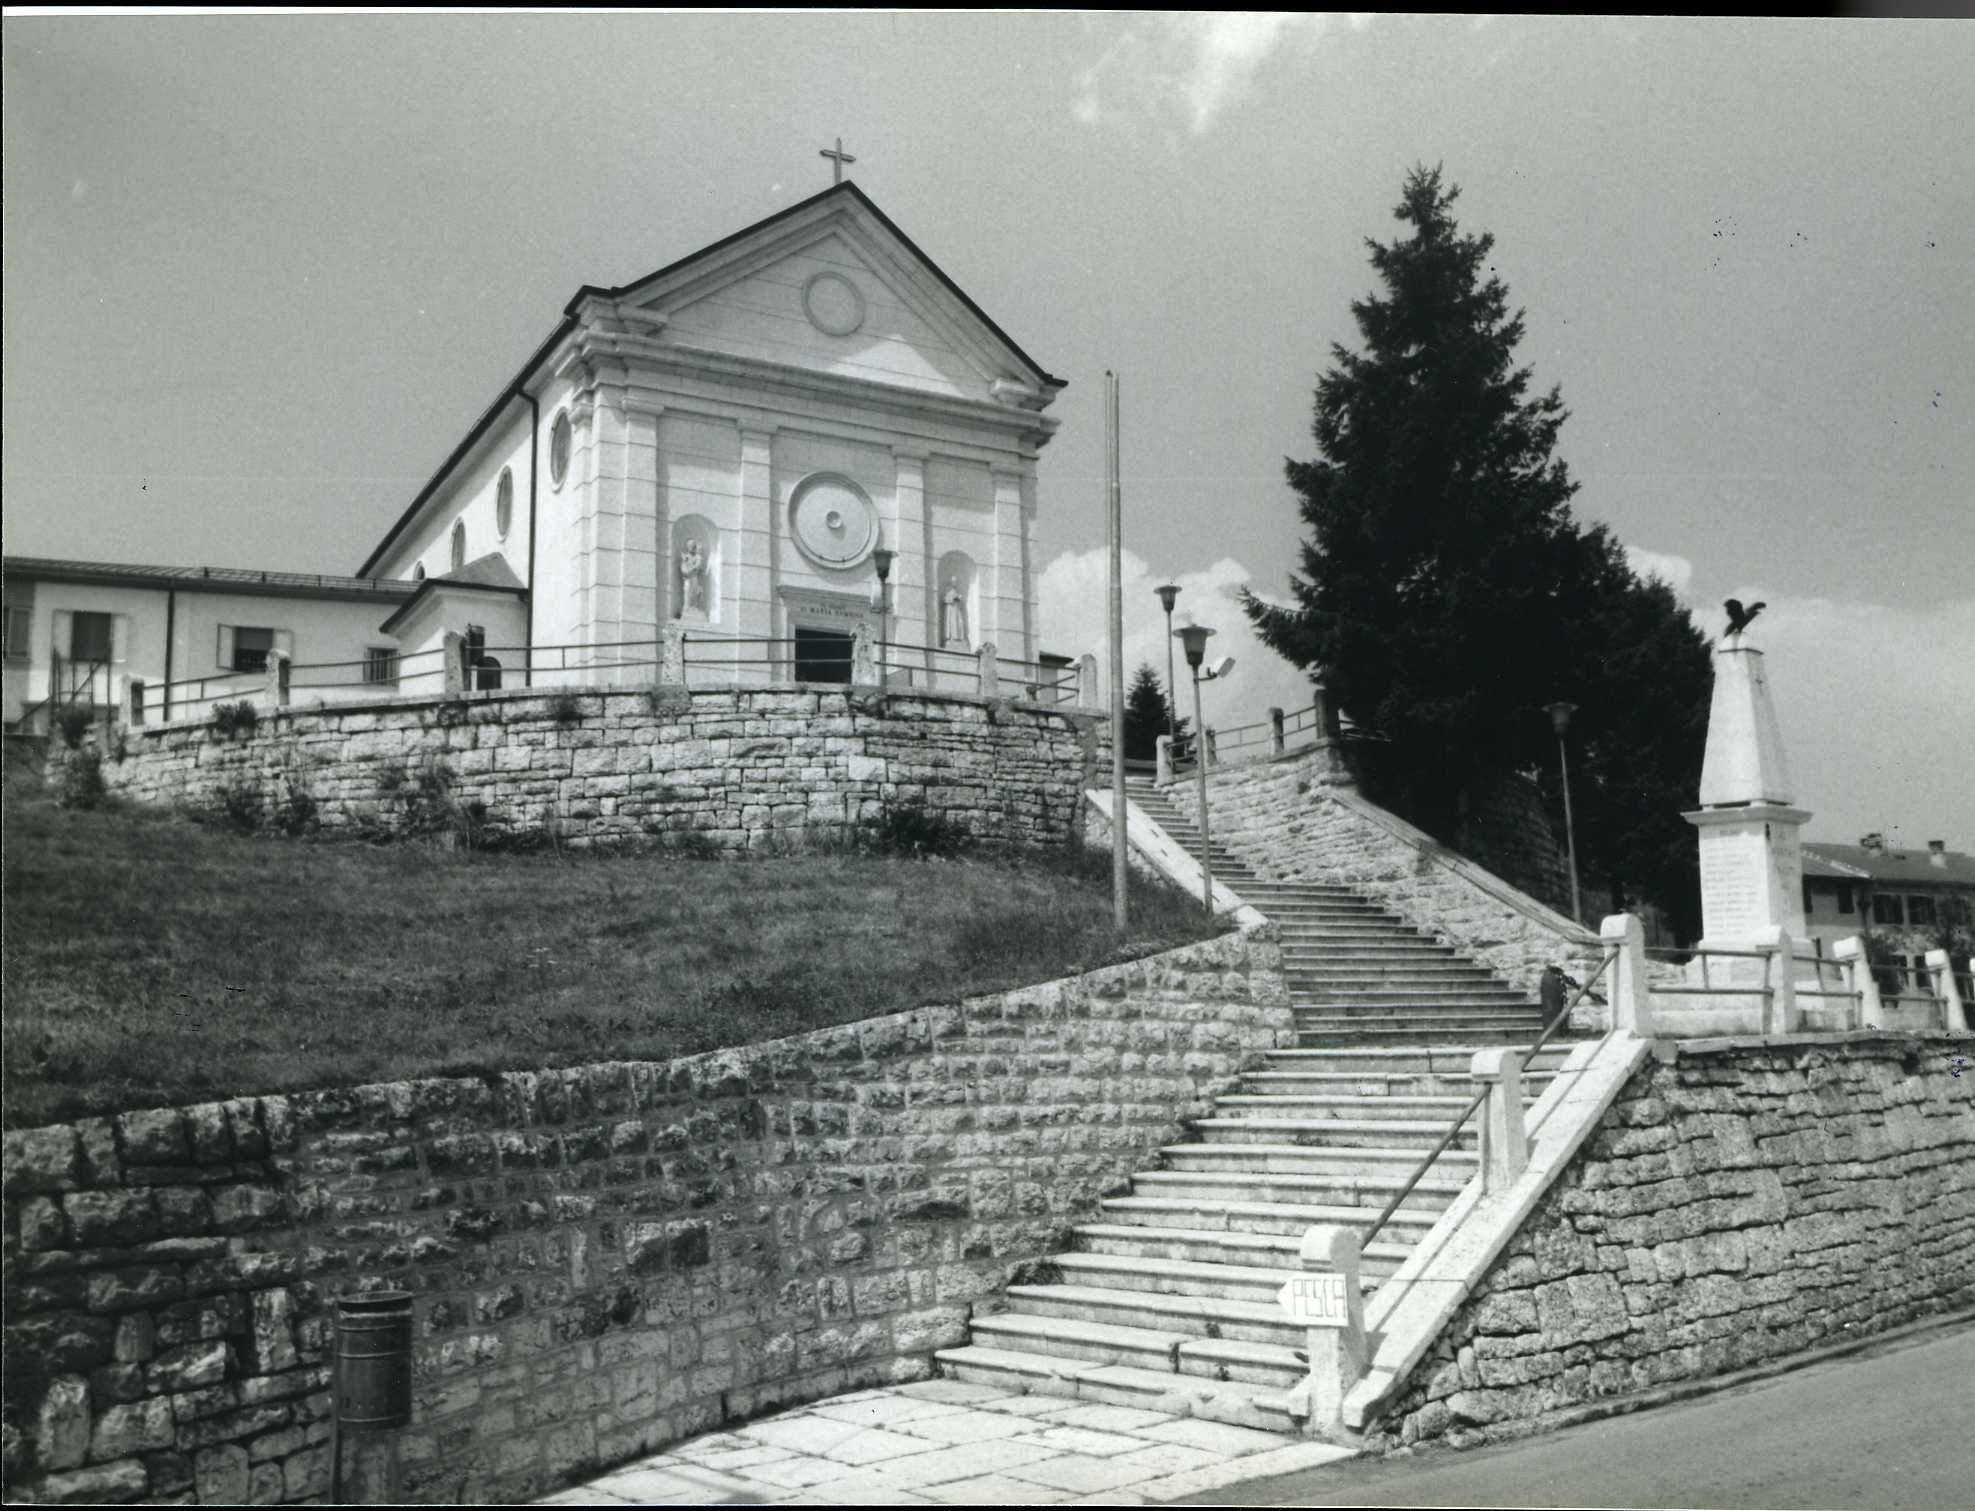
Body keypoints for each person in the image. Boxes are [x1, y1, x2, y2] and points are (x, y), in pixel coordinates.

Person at [941, 579, 968, 648]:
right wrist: (953, 599)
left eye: (955, 582)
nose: (954, 583)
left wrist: (958, 598)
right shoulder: (947, 591)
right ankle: (952, 637)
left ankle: (958, 638)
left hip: (956, 610)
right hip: (951, 611)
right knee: (952, 624)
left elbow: (958, 600)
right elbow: (945, 599)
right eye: (953, 581)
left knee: (959, 623)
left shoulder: (956, 591)